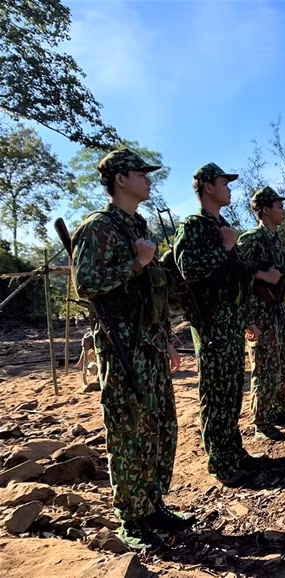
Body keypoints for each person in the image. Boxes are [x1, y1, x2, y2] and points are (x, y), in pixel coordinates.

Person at [72, 148, 191, 550]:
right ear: (120, 179)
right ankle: (131, 516)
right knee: (127, 430)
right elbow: (86, 284)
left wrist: (169, 340)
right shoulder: (99, 227)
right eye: (141, 173)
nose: (148, 178)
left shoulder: (137, 225)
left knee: (161, 427)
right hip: (122, 345)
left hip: (151, 343)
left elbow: (152, 295)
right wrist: (137, 264)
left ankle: (153, 503)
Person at [173, 162, 262, 485]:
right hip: (210, 322)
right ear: (208, 187)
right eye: (225, 182)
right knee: (215, 393)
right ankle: (219, 461)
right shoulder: (194, 226)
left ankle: (233, 451)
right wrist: (225, 245)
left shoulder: (221, 224)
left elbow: (233, 276)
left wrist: (245, 317)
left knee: (231, 391)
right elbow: (189, 269)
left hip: (230, 319)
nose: (230, 188)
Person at [237, 186, 285, 442]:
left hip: (275, 311)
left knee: (282, 365)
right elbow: (238, 272)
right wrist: (248, 319)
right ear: (265, 209)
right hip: (259, 314)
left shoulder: (275, 240)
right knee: (264, 369)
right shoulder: (251, 238)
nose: (284, 211)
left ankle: (279, 410)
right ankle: (261, 423)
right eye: (279, 206)